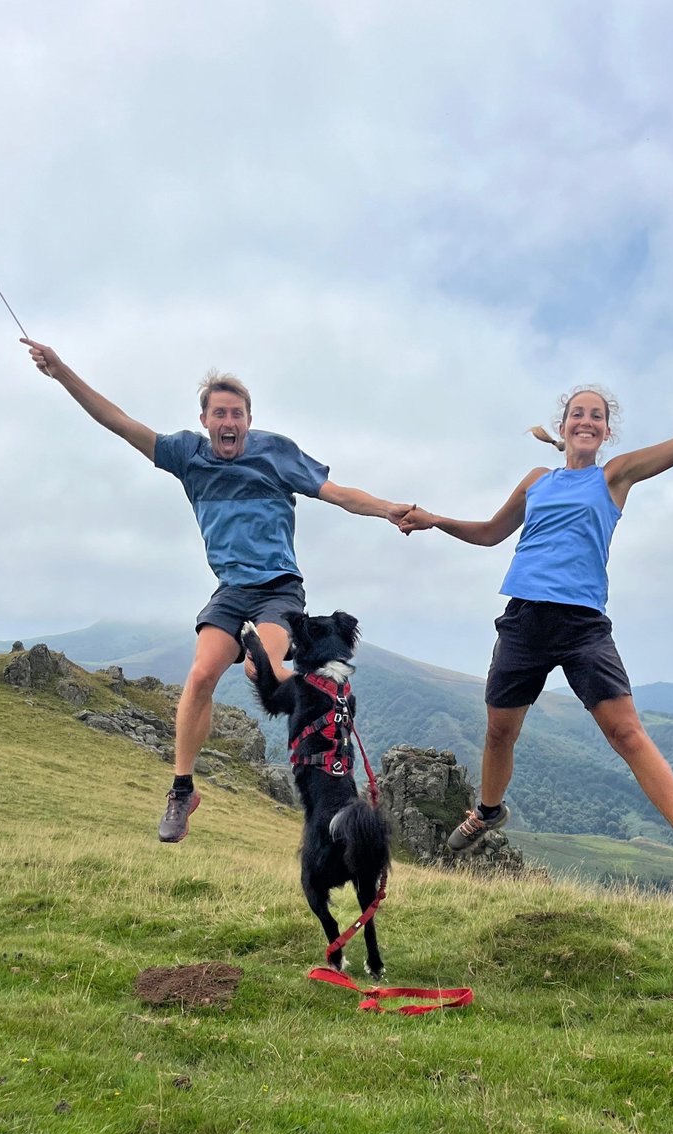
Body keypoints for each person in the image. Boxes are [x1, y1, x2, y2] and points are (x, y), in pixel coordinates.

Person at [398, 384, 673, 879]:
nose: (586, 421)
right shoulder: (537, 480)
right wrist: (436, 520)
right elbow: (491, 534)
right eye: (577, 414)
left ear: (606, 430)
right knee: (499, 732)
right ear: (562, 429)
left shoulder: (615, 475)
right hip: (523, 620)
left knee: (626, 732)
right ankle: (489, 812)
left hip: (582, 625)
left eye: (596, 416)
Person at [22, 338, 411, 843]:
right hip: (230, 592)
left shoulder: (278, 454)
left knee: (259, 669)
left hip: (278, 590)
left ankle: (327, 726)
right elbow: (118, 421)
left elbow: (337, 494)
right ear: (205, 420)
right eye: (219, 414)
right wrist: (62, 372)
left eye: (238, 414)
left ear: (249, 419)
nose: (229, 423)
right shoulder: (187, 454)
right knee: (202, 674)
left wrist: (387, 509)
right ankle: (182, 791)